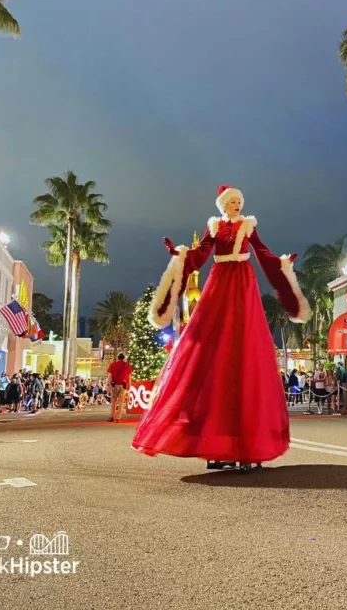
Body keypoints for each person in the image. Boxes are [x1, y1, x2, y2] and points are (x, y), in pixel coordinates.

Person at [132, 184, 309, 471]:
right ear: (223, 205)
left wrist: (282, 262)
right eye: (233, 201)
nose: (238, 205)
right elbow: (201, 254)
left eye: (240, 201)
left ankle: (246, 445)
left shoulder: (248, 226)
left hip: (242, 281)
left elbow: (262, 253)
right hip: (219, 280)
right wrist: (181, 255)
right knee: (213, 347)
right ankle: (218, 444)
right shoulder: (214, 227)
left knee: (243, 343)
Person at [106, 353, 133, 422]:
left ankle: (112, 416)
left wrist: (108, 384)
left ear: (118, 357)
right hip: (123, 385)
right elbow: (129, 377)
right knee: (121, 402)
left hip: (114, 385)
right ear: (124, 358)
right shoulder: (127, 365)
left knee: (113, 401)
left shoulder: (113, 365)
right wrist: (129, 386)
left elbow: (110, 376)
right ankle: (118, 418)